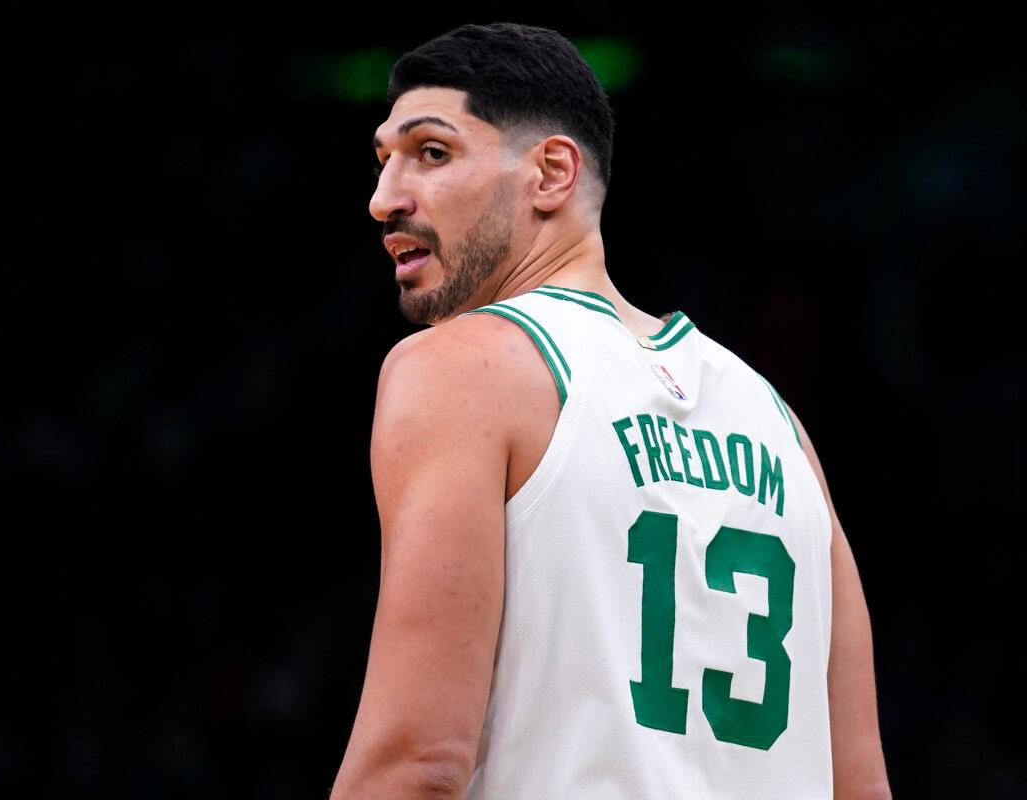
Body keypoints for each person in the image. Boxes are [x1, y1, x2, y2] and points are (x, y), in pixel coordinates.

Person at [329, 22, 891, 800]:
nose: (383, 199)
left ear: (551, 173)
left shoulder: (461, 368)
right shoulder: (776, 421)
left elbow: (416, 763)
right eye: (382, 161)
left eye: (431, 153)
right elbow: (859, 785)